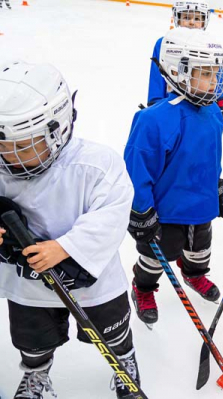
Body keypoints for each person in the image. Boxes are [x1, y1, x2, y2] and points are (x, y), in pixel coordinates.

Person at [0, 60, 140, 398]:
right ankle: (36, 373)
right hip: (27, 283)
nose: (8, 155)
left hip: (93, 281)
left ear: (56, 129)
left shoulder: (95, 164)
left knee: (112, 329)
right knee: (31, 337)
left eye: (22, 145)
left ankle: (125, 361)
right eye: (3, 143)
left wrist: (66, 247)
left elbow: (112, 211)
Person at [125, 27, 223, 328]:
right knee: (155, 257)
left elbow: (210, 157)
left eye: (216, 73)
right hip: (166, 213)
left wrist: (217, 184)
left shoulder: (212, 112)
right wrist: (140, 210)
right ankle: (143, 288)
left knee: (201, 248)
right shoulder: (154, 119)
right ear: (177, 71)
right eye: (205, 73)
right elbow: (137, 172)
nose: (214, 82)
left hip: (200, 206)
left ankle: (194, 274)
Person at [147, 1, 223, 129]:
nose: (192, 22)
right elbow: (157, 76)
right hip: (171, 106)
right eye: (187, 17)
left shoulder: (210, 45)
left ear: (204, 21)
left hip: (201, 110)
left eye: (197, 18)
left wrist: (220, 102)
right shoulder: (164, 43)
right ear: (178, 18)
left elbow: (215, 76)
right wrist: (155, 103)